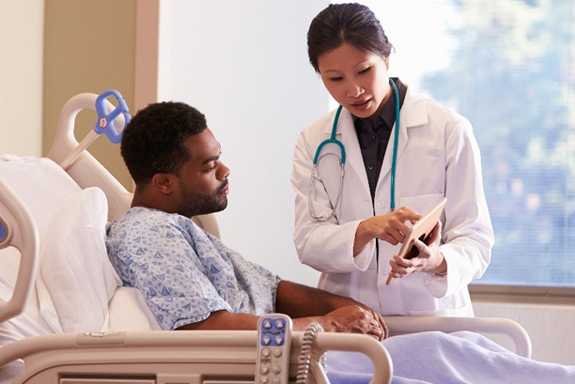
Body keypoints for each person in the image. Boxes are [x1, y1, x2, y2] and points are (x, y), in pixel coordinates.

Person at [106, 101, 388, 339]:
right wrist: (331, 324)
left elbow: (272, 290)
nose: (225, 171)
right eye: (209, 166)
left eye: (220, 158)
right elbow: (208, 328)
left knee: (431, 346)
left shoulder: (181, 228)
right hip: (270, 365)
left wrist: (350, 307)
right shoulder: (150, 234)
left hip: (296, 352)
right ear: (164, 183)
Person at [292, 3, 494, 317]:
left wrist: (436, 261)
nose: (353, 90)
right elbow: (308, 241)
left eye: (363, 70)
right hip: (352, 322)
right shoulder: (314, 142)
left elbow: (475, 238)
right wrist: (366, 229)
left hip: (431, 320)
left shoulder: (447, 130)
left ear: (385, 56)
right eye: (335, 78)